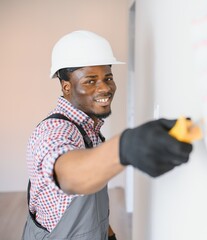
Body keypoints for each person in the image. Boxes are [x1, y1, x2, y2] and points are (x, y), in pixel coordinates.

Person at [22, 30, 193, 240]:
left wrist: (108, 233)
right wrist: (125, 146)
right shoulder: (53, 132)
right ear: (66, 87)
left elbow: (90, 204)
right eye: (90, 81)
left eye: (108, 77)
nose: (105, 88)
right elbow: (69, 175)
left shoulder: (89, 129)